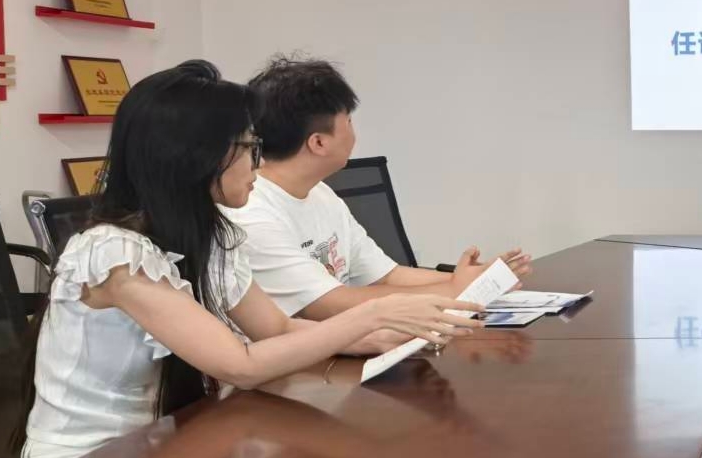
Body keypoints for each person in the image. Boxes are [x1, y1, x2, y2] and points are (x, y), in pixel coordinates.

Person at [18, 61, 480, 458]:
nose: (259, 165)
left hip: (173, 448)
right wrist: (370, 316)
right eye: (250, 148)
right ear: (197, 157)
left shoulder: (212, 236)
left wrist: (378, 338)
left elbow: (275, 328)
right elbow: (240, 365)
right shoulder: (115, 256)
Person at [225, 56, 531, 319]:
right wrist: (454, 289)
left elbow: (387, 275)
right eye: (348, 121)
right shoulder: (251, 214)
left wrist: (472, 280)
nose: (353, 130)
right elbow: (329, 304)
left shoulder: (320, 193)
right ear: (318, 142)